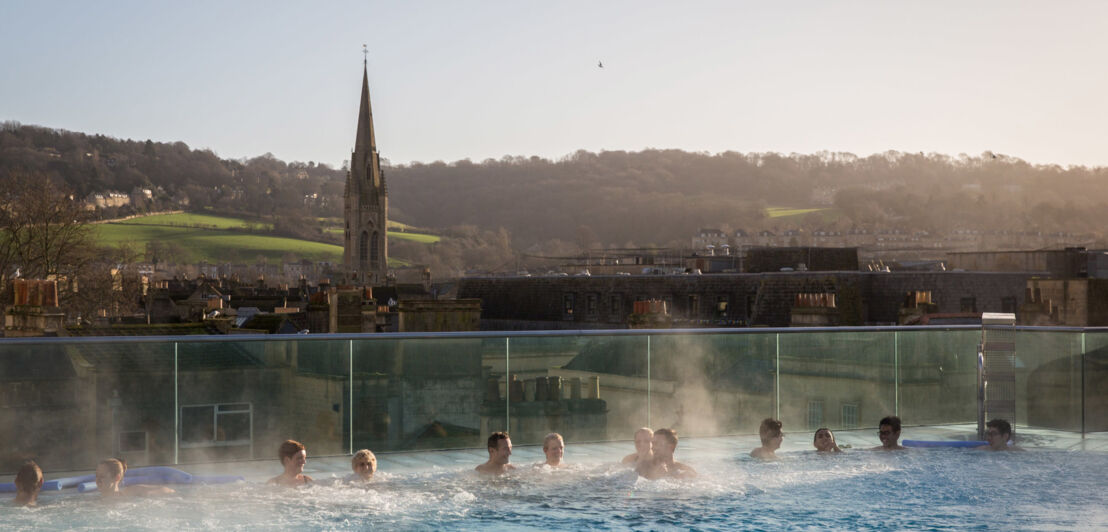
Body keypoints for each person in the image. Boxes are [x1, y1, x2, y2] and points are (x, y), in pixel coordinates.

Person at [95, 458, 174, 496]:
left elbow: (168, 490)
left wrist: (148, 494)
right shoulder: (93, 503)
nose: (98, 480)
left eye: (102, 476)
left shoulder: (130, 492)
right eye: (96, 475)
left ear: (117, 477)